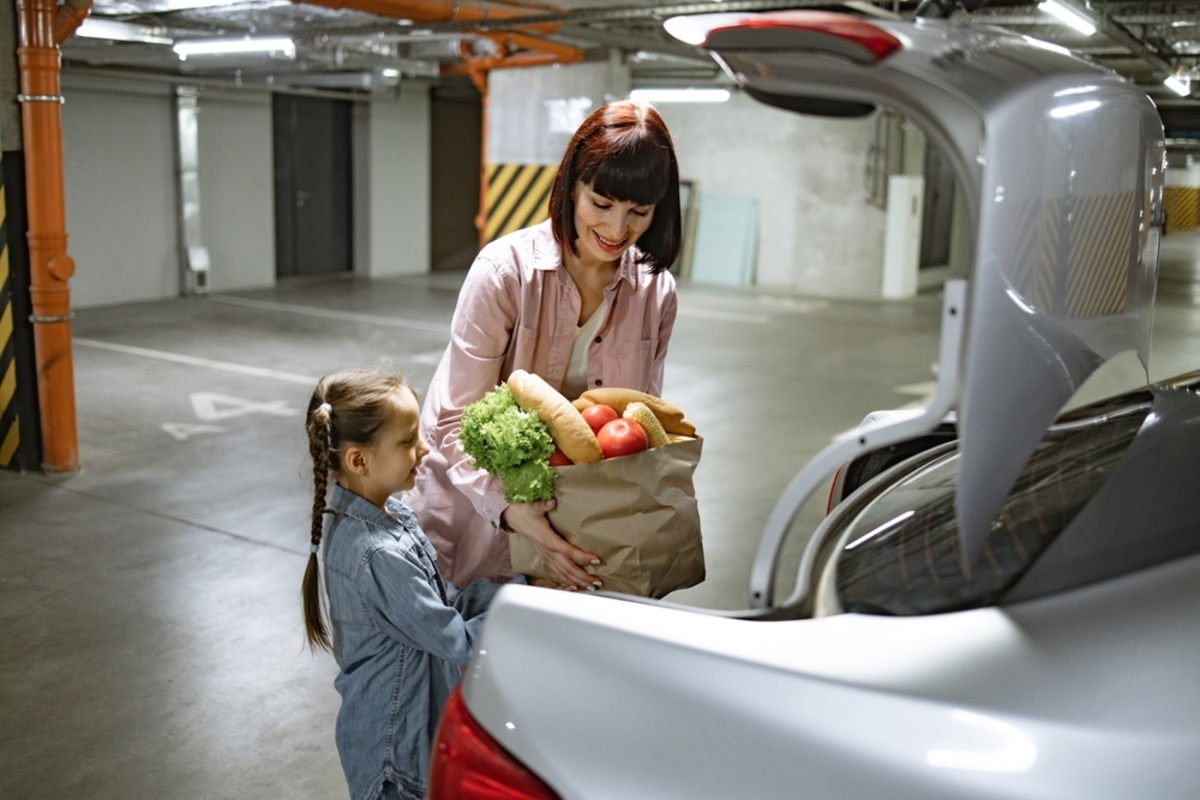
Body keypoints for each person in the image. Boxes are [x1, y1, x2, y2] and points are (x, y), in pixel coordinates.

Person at [408, 100, 683, 592]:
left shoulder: (655, 292)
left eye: (638, 212)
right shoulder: (504, 273)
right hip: (476, 507)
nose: (618, 231)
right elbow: (454, 419)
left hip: (576, 519)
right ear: (571, 186)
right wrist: (512, 509)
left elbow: (636, 424)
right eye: (601, 205)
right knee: (464, 655)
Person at [302, 368, 514, 800]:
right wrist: (526, 613)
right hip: (395, 756)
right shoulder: (377, 554)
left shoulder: (393, 516)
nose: (424, 448)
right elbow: (457, 639)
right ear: (359, 460)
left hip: (412, 736)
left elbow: (446, 603)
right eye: (407, 440)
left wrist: (523, 587)